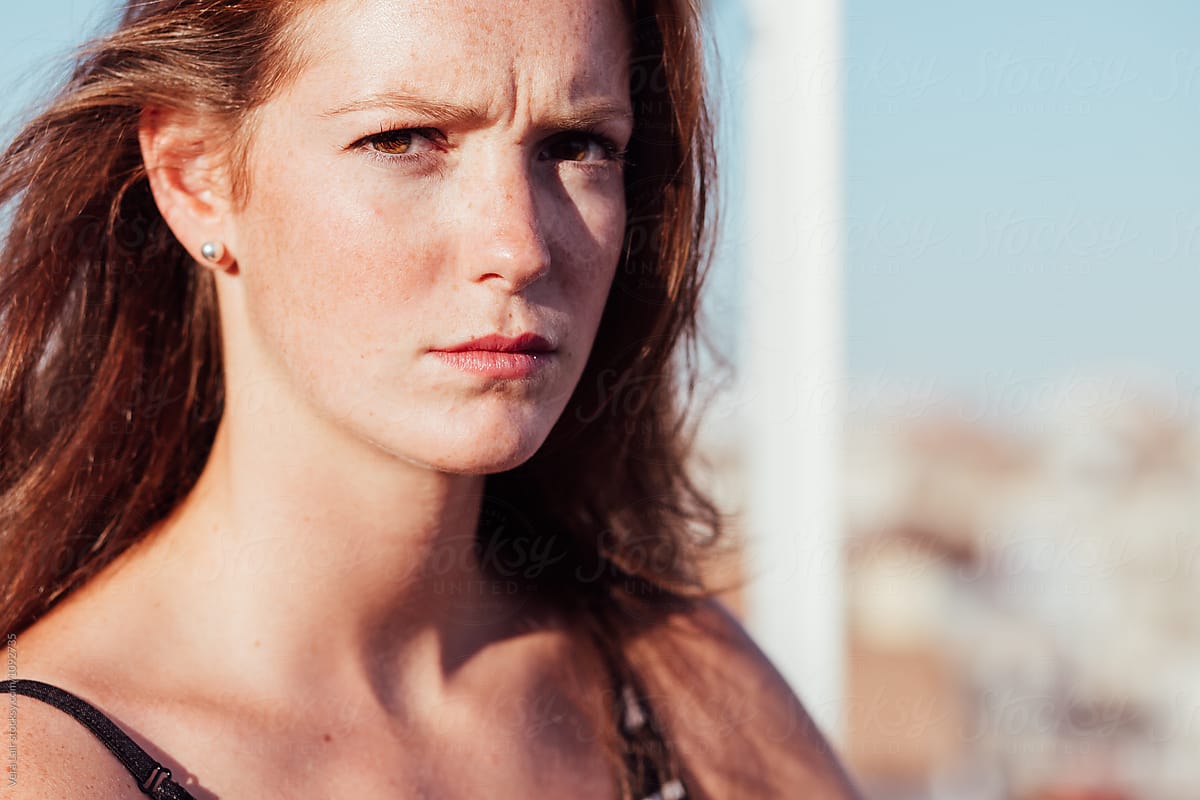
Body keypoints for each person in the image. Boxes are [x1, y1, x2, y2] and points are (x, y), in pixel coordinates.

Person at [0, 0, 863, 797]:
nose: (519, 244)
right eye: (404, 139)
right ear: (195, 176)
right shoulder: (51, 765)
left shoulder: (682, 693)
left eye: (576, 146)